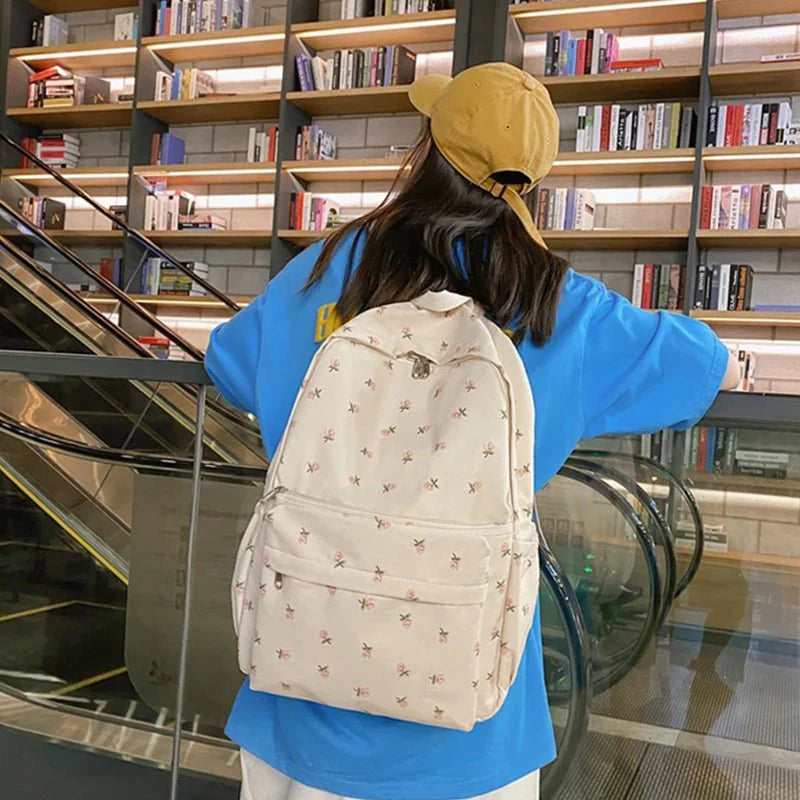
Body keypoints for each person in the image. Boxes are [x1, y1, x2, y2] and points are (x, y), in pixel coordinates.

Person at [205, 62, 740, 800]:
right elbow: (706, 365)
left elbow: (229, 364)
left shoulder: (325, 270)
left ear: (427, 151)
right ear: (534, 182)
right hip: (472, 712)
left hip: (298, 692)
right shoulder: (561, 306)